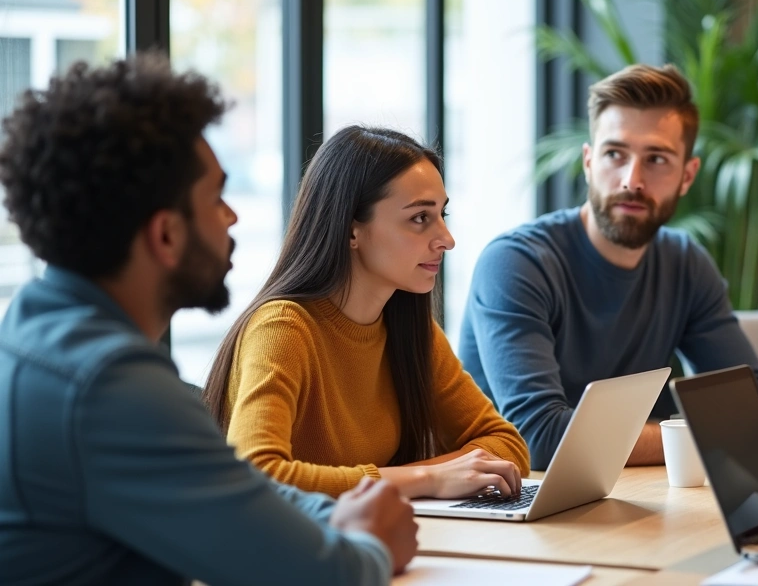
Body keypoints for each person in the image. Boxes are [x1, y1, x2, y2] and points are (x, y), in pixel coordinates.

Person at [0, 54, 416, 584]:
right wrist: (371, 543)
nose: (232, 215)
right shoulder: (110, 388)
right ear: (166, 235)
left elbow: (236, 491)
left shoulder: (32, 335)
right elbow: (323, 575)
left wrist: (336, 513)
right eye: (217, 197)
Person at [459, 63, 758, 470]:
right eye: (614, 154)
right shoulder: (517, 264)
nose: (632, 179)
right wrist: (715, 436)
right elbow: (541, 438)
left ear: (687, 175)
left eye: (656, 158)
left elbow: (757, 405)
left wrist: (725, 432)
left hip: (631, 487)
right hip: (511, 496)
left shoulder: (685, 263)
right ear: (588, 161)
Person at [201, 125, 529, 499]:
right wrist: (428, 479)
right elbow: (259, 475)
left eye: (442, 214)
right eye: (420, 218)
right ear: (351, 230)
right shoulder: (283, 328)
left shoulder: (410, 328)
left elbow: (506, 444)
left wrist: (413, 479)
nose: (447, 239)